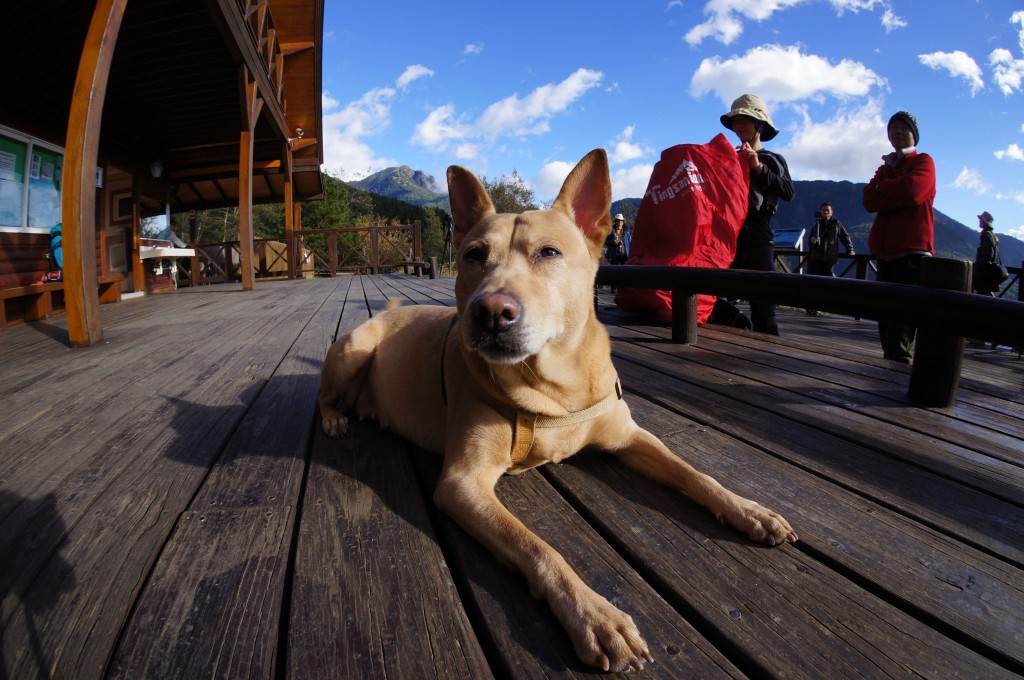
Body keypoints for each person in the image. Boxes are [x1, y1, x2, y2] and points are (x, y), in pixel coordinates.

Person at [863, 110, 936, 363]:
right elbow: (868, 199)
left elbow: (914, 192)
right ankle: (890, 379)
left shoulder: (923, 161)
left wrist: (884, 190)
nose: (896, 131)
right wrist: (893, 194)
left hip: (912, 256)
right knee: (885, 323)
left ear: (913, 135)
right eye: (892, 128)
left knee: (901, 328)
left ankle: (898, 381)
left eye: (903, 128)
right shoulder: (886, 167)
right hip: (885, 256)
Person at [720, 94, 795, 335]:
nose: (739, 126)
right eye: (736, 121)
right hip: (729, 235)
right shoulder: (729, 157)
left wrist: (758, 168)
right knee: (717, 297)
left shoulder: (771, 159)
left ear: (759, 125)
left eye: (745, 120)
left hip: (758, 233)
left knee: (763, 304)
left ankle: (767, 359)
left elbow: (788, 191)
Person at [806, 202, 855, 315]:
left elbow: (845, 237)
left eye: (828, 210)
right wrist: (812, 241)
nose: (826, 212)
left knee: (828, 283)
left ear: (832, 212)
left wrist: (850, 249)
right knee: (814, 284)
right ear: (821, 211)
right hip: (816, 258)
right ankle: (812, 307)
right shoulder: (816, 224)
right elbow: (810, 241)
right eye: (823, 210)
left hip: (829, 259)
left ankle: (826, 306)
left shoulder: (836, 224)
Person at [973, 210, 1001, 296]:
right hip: (988, 271)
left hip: (985, 272)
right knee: (986, 293)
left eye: (981, 220)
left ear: (985, 223)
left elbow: (988, 254)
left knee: (983, 294)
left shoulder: (987, 235)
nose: (979, 221)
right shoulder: (991, 235)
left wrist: (981, 267)